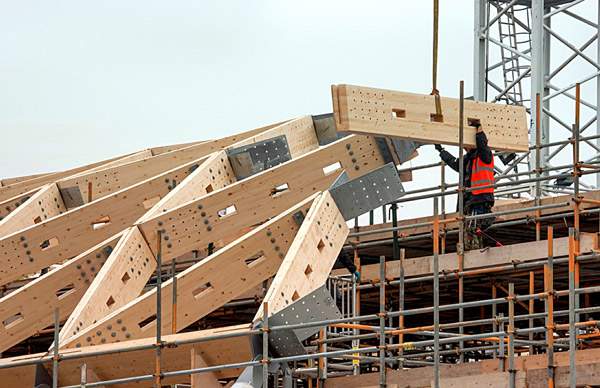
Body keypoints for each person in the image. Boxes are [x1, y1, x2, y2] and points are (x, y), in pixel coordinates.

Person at [434, 124, 495, 249]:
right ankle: (471, 249)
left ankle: (475, 251)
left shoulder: (484, 155)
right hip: (470, 200)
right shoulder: (469, 158)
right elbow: (455, 164)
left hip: (481, 198)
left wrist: (479, 131)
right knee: (468, 229)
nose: (465, 148)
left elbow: (482, 145)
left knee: (473, 228)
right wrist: (441, 151)